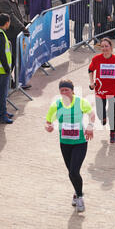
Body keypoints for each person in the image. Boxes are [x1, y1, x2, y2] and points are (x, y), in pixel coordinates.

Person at [45, 79, 95, 213]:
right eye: (62, 90)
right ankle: (77, 191)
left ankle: (79, 196)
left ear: (72, 91)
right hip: (65, 143)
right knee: (72, 173)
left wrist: (90, 126)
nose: (64, 92)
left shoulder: (80, 102)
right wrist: (48, 126)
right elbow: (48, 121)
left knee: (74, 171)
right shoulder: (56, 105)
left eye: (67, 90)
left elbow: (92, 115)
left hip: (80, 142)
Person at [88, 38, 115, 143]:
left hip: (113, 90)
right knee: (100, 112)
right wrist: (91, 82)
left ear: (111, 47)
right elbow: (90, 70)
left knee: (112, 112)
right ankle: (103, 117)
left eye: (106, 46)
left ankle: (112, 134)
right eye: (102, 46)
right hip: (100, 90)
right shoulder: (96, 59)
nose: (104, 48)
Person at [0, 0, 30, 72]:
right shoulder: (2, 0)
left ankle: (14, 81)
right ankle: (14, 81)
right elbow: (10, 16)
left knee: (16, 58)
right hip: (10, 33)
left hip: (16, 31)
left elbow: (17, 14)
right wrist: (22, 27)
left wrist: (24, 22)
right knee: (14, 58)